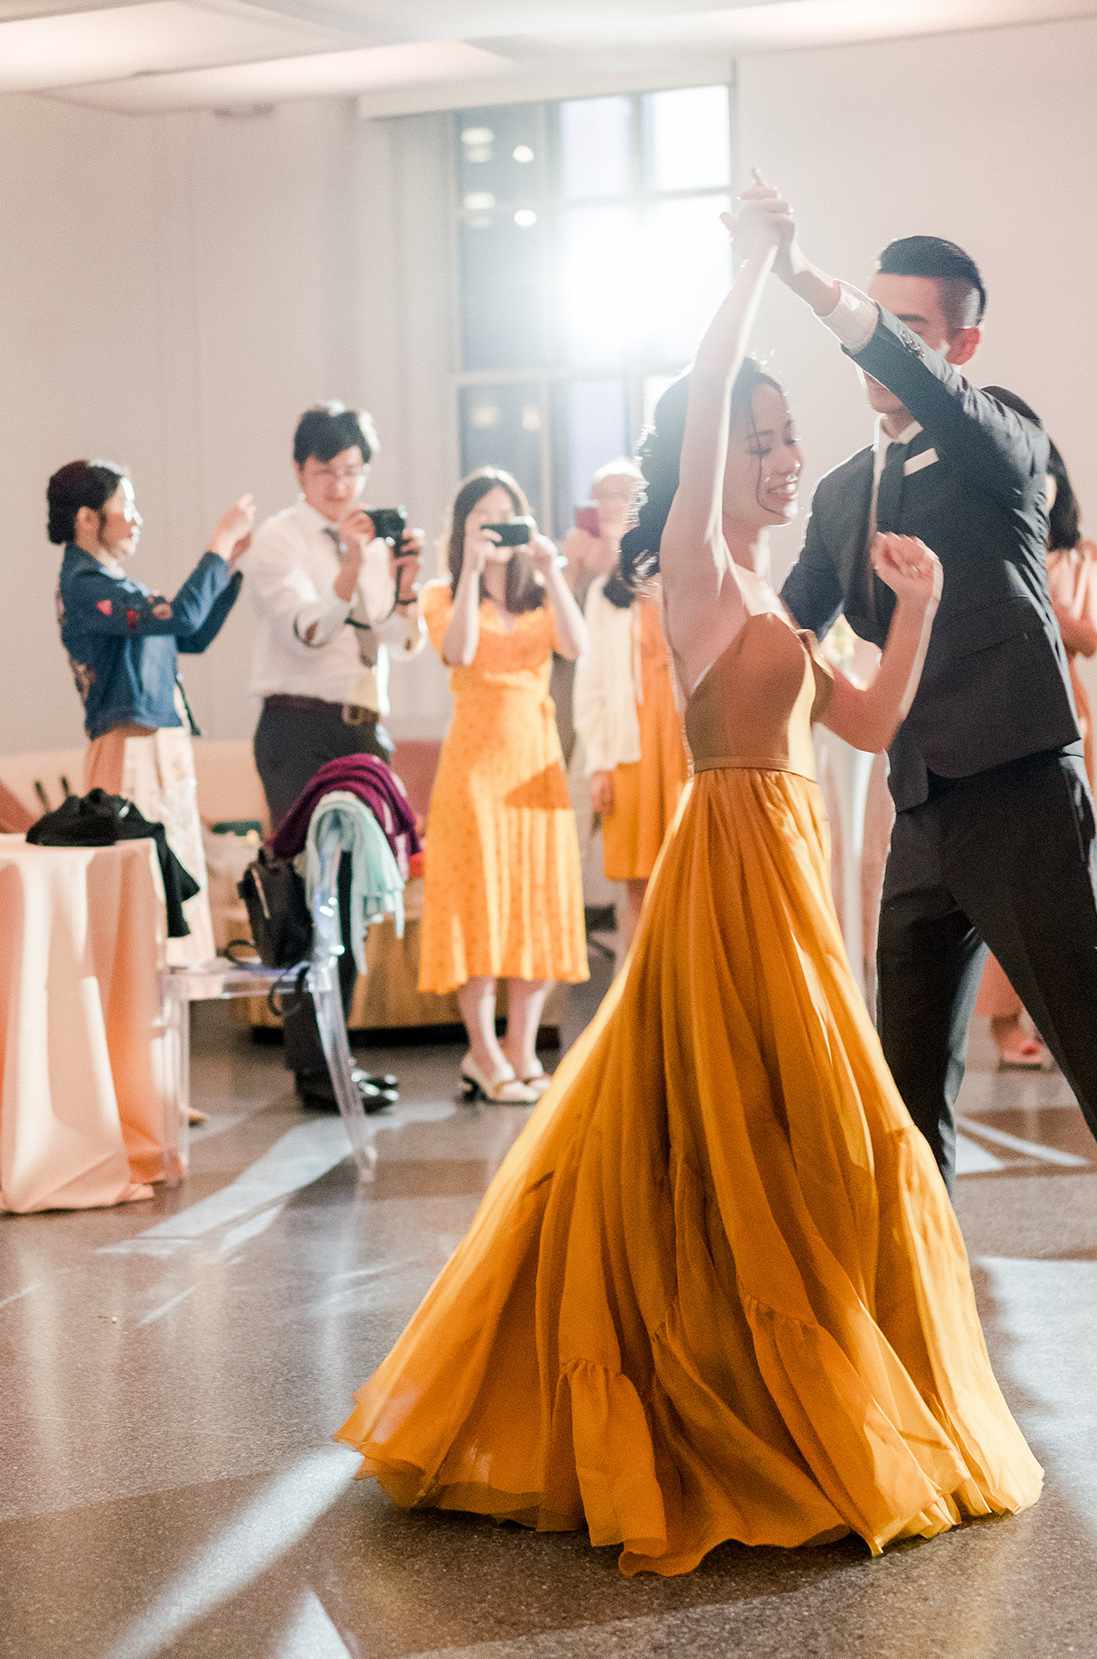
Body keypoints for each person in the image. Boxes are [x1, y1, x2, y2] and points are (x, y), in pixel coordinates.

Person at [337, 202, 1043, 1578]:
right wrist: (750, 277)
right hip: (725, 872)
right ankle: (715, 1386)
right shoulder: (700, 574)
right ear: (719, 454)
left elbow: (868, 723)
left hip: (786, 867)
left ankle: (792, 1368)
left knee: (818, 1139)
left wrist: (913, 604)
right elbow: (711, 394)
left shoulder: (779, 601)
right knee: (737, 1127)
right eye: (768, 444)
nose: (788, 463)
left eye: (791, 445)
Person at [760, 178, 1097, 1445]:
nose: (896, 351)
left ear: (959, 342)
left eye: (921, 331)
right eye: (887, 323)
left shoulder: (1000, 431)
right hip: (916, 809)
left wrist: (807, 277)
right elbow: (792, 624)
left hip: (1023, 789)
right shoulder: (843, 494)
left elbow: (935, 398)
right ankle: (919, 1343)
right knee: (905, 1090)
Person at [247, 402, 426, 1114]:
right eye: (328, 472)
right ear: (300, 470)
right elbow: (308, 631)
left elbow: (403, 644)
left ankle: (336, 1060)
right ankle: (314, 1068)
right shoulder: (278, 541)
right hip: (298, 729)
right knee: (304, 893)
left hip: (362, 732)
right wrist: (351, 568)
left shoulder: (374, 541)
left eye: (354, 471)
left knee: (348, 899)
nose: (343, 486)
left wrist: (404, 581)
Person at [416, 468, 589, 1105]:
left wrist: (550, 570)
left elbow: (576, 644)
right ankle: (482, 1053)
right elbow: (458, 652)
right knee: (479, 905)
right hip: (474, 769)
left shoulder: (541, 595)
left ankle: (520, 1049)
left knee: (535, 902)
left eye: (506, 515)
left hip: (536, 766)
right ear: (464, 529)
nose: (495, 527)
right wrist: (469, 571)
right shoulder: (441, 593)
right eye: (481, 518)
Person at [50, 458, 252, 972]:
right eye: (127, 506)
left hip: (160, 746)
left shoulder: (116, 587)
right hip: (129, 751)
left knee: (170, 896)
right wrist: (217, 548)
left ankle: (163, 1044)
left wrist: (227, 569)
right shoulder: (85, 586)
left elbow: (191, 635)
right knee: (142, 901)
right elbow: (182, 616)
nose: (137, 519)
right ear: (87, 519)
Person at [975, 407, 1097, 1070]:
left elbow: (1088, 636)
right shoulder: (991, 540)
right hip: (1004, 715)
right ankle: (1001, 1019)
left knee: (1067, 877)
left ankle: (1059, 1015)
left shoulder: (1080, 556)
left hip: (1068, 716)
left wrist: (1040, 590)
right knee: (1012, 877)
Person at [573, 556, 690, 956]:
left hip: (685, 746)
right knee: (637, 885)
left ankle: (687, 994)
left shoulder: (692, 577)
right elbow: (591, 681)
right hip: (629, 748)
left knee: (690, 879)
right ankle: (641, 994)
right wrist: (598, 763)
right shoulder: (608, 593)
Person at [550, 459, 644, 762]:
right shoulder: (568, 564)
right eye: (599, 497)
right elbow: (548, 637)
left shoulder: (652, 565)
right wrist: (572, 572)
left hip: (628, 710)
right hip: (569, 701)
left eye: (620, 496)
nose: (608, 506)